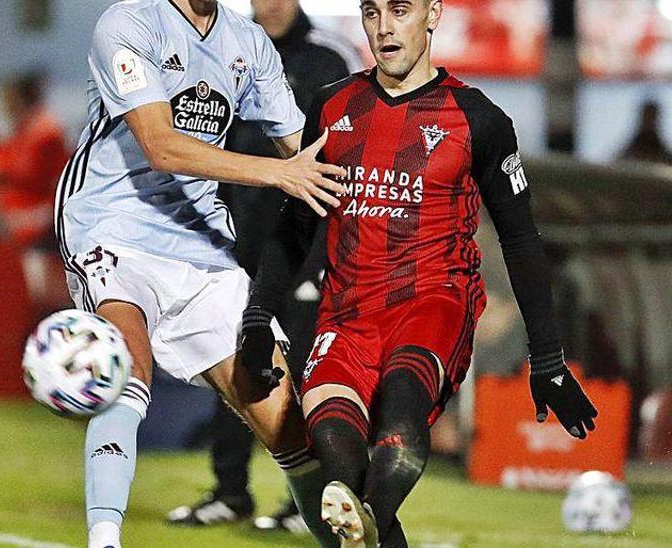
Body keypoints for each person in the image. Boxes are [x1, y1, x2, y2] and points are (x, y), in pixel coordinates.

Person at [241, 0, 598, 545]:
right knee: (330, 437)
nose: (384, 27)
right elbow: (297, 224)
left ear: (432, 14)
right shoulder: (331, 107)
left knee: (401, 415)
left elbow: (522, 240)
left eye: (400, 10)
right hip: (347, 311)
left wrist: (547, 360)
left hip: (433, 305)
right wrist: (258, 314)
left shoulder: (478, 119)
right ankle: (368, 524)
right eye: (371, 12)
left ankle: (366, 516)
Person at [61, 1, 348, 546]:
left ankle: (345, 541)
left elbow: (306, 152)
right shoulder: (128, 24)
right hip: (113, 226)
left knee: (284, 420)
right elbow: (161, 145)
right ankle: (104, 540)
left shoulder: (248, 43)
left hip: (201, 248)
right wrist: (280, 174)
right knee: (125, 371)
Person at [164, 0, 363, 532]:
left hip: (303, 245)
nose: (265, 4)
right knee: (232, 358)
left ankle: (316, 500)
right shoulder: (226, 48)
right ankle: (231, 491)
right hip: (237, 239)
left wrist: (326, 256)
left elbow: (342, 165)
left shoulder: (329, 59)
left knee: (303, 373)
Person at [0, 72, 69, 248]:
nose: (5, 107)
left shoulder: (44, 129)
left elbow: (30, 170)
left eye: (8, 101)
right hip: (19, 220)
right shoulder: (23, 129)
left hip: (38, 220)